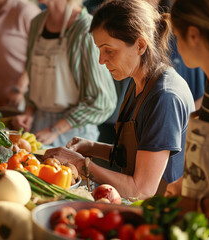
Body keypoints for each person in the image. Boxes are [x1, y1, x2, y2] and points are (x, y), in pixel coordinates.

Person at [43, 0, 195, 200]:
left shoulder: (165, 97)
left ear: (140, 45)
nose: (101, 60)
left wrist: (81, 163)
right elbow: (137, 154)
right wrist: (91, 147)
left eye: (109, 50)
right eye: (99, 49)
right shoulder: (138, 82)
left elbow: (141, 189)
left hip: (161, 214)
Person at [164, 0, 209, 237]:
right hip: (207, 226)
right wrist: (185, 183)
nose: (176, 46)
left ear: (194, 35)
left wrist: (198, 207)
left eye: (177, 36)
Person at [11, 0, 117, 147]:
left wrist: (55, 129)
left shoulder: (86, 28)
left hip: (74, 134)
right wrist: (28, 113)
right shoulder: (37, 23)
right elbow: (35, 78)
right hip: (38, 126)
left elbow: (102, 101)